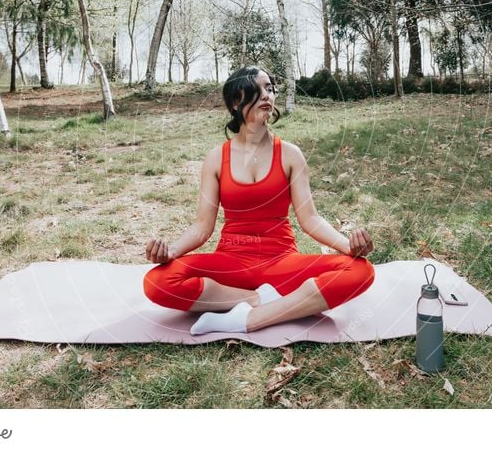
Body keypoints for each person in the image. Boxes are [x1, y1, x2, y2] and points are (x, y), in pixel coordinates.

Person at [143, 66, 375, 335]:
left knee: (361, 271)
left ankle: (244, 320)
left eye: (270, 88)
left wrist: (347, 246)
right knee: (158, 281)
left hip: (281, 261)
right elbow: (202, 227)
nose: (267, 95)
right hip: (232, 260)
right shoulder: (216, 158)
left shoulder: (290, 155)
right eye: (257, 89)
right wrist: (171, 251)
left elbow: (310, 219)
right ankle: (261, 301)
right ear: (235, 101)